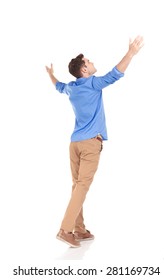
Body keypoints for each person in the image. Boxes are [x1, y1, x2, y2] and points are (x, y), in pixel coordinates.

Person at [45, 35, 144, 248]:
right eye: (88, 62)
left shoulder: (71, 87)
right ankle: (65, 229)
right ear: (84, 70)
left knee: (77, 186)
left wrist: (51, 75)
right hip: (90, 144)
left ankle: (79, 230)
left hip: (74, 144)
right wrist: (131, 53)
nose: (91, 62)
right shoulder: (92, 84)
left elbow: (58, 86)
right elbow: (115, 74)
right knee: (82, 186)